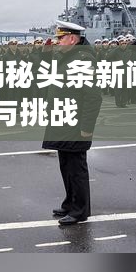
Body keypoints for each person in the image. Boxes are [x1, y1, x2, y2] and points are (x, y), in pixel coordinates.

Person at [42, 21, 103, 225]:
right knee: (66, 166)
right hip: (63, 119)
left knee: (76, 169)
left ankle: (80, 210)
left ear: (72, 38)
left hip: (75, 125)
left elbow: (93, 97)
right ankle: (70, 203)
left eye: (61, 38)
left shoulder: (83, 60)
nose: (57, 41)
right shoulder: (67, 56)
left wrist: (86, 128)